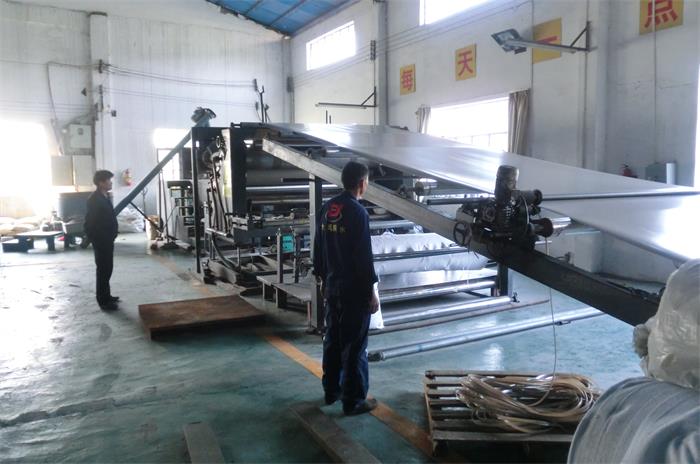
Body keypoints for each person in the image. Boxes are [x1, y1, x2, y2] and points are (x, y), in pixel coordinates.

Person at [313, 160, 380, 416]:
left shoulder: (327, 207)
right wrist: (370, 291)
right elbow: (363, 257)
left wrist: (322, 279)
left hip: (333, 287)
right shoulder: (358, 212)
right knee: (354, 346)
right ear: (362, 183)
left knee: (333, 340)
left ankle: (332, 390)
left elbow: (318, 247)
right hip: (353, 292)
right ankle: (354, 400)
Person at [84, 170, 119, 311]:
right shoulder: (94, 199)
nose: (111, 183)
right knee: (103, 270)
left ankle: (107, 295)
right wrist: (96, 239)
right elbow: (90, 222)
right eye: (108, 180)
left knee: (108, 268)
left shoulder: (105, 196)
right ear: (101, 183)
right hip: (101, 239)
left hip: (108, 239)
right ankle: (103, 301)